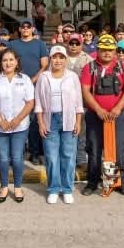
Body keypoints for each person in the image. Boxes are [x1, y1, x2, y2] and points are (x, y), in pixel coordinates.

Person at [80, 34, 124, 197]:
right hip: (95, 116)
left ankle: (120, 183)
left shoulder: (122, 67)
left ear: (115, 51)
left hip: (117, 116)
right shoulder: (89, 68)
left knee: (119, 150)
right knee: (94, 150)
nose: (107, 53)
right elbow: (85, 91)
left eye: (110, 50)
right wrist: (98, 110)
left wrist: (118, 108)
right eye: (103, 50)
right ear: (98, 50)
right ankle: (92, 182)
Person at [0, 48, 35, 203]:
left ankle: (18, 187)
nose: (8, 63)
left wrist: (17, 119)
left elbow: (30, 103)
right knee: (3, 158)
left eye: (11, 59)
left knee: (18, 158)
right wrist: (1, 120)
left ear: (17, 61)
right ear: (0, 62)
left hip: (19, 126)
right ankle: (4, 186)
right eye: (5, 60)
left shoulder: (25, 79)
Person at [35, 45, 84, 203]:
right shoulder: (44, 77)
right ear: (50, 59)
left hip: (68, 119)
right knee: (51, 156)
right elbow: (38, 103)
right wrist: (41, 123)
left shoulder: (72, 77)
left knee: (68, 155)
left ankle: (67, 188)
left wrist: (78, 122)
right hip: (50, 120)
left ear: (65, 59)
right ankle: (54, 188)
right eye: (55, 57)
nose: (58, 60)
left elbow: (78, 102)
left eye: (61, 57)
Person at [10, 19, 48, 164]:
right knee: (15, 117)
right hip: (16, 85)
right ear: (19, 29)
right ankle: (16, 154)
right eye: (22, 27)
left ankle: (34, 152)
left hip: (35, 86)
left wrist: (31, 80)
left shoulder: (40, 44)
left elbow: (44, 65)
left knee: (34, 120)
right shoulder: (13, 44)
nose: (25, 29)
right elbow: (8, 63)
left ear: (32, 29)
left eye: (28, 27)